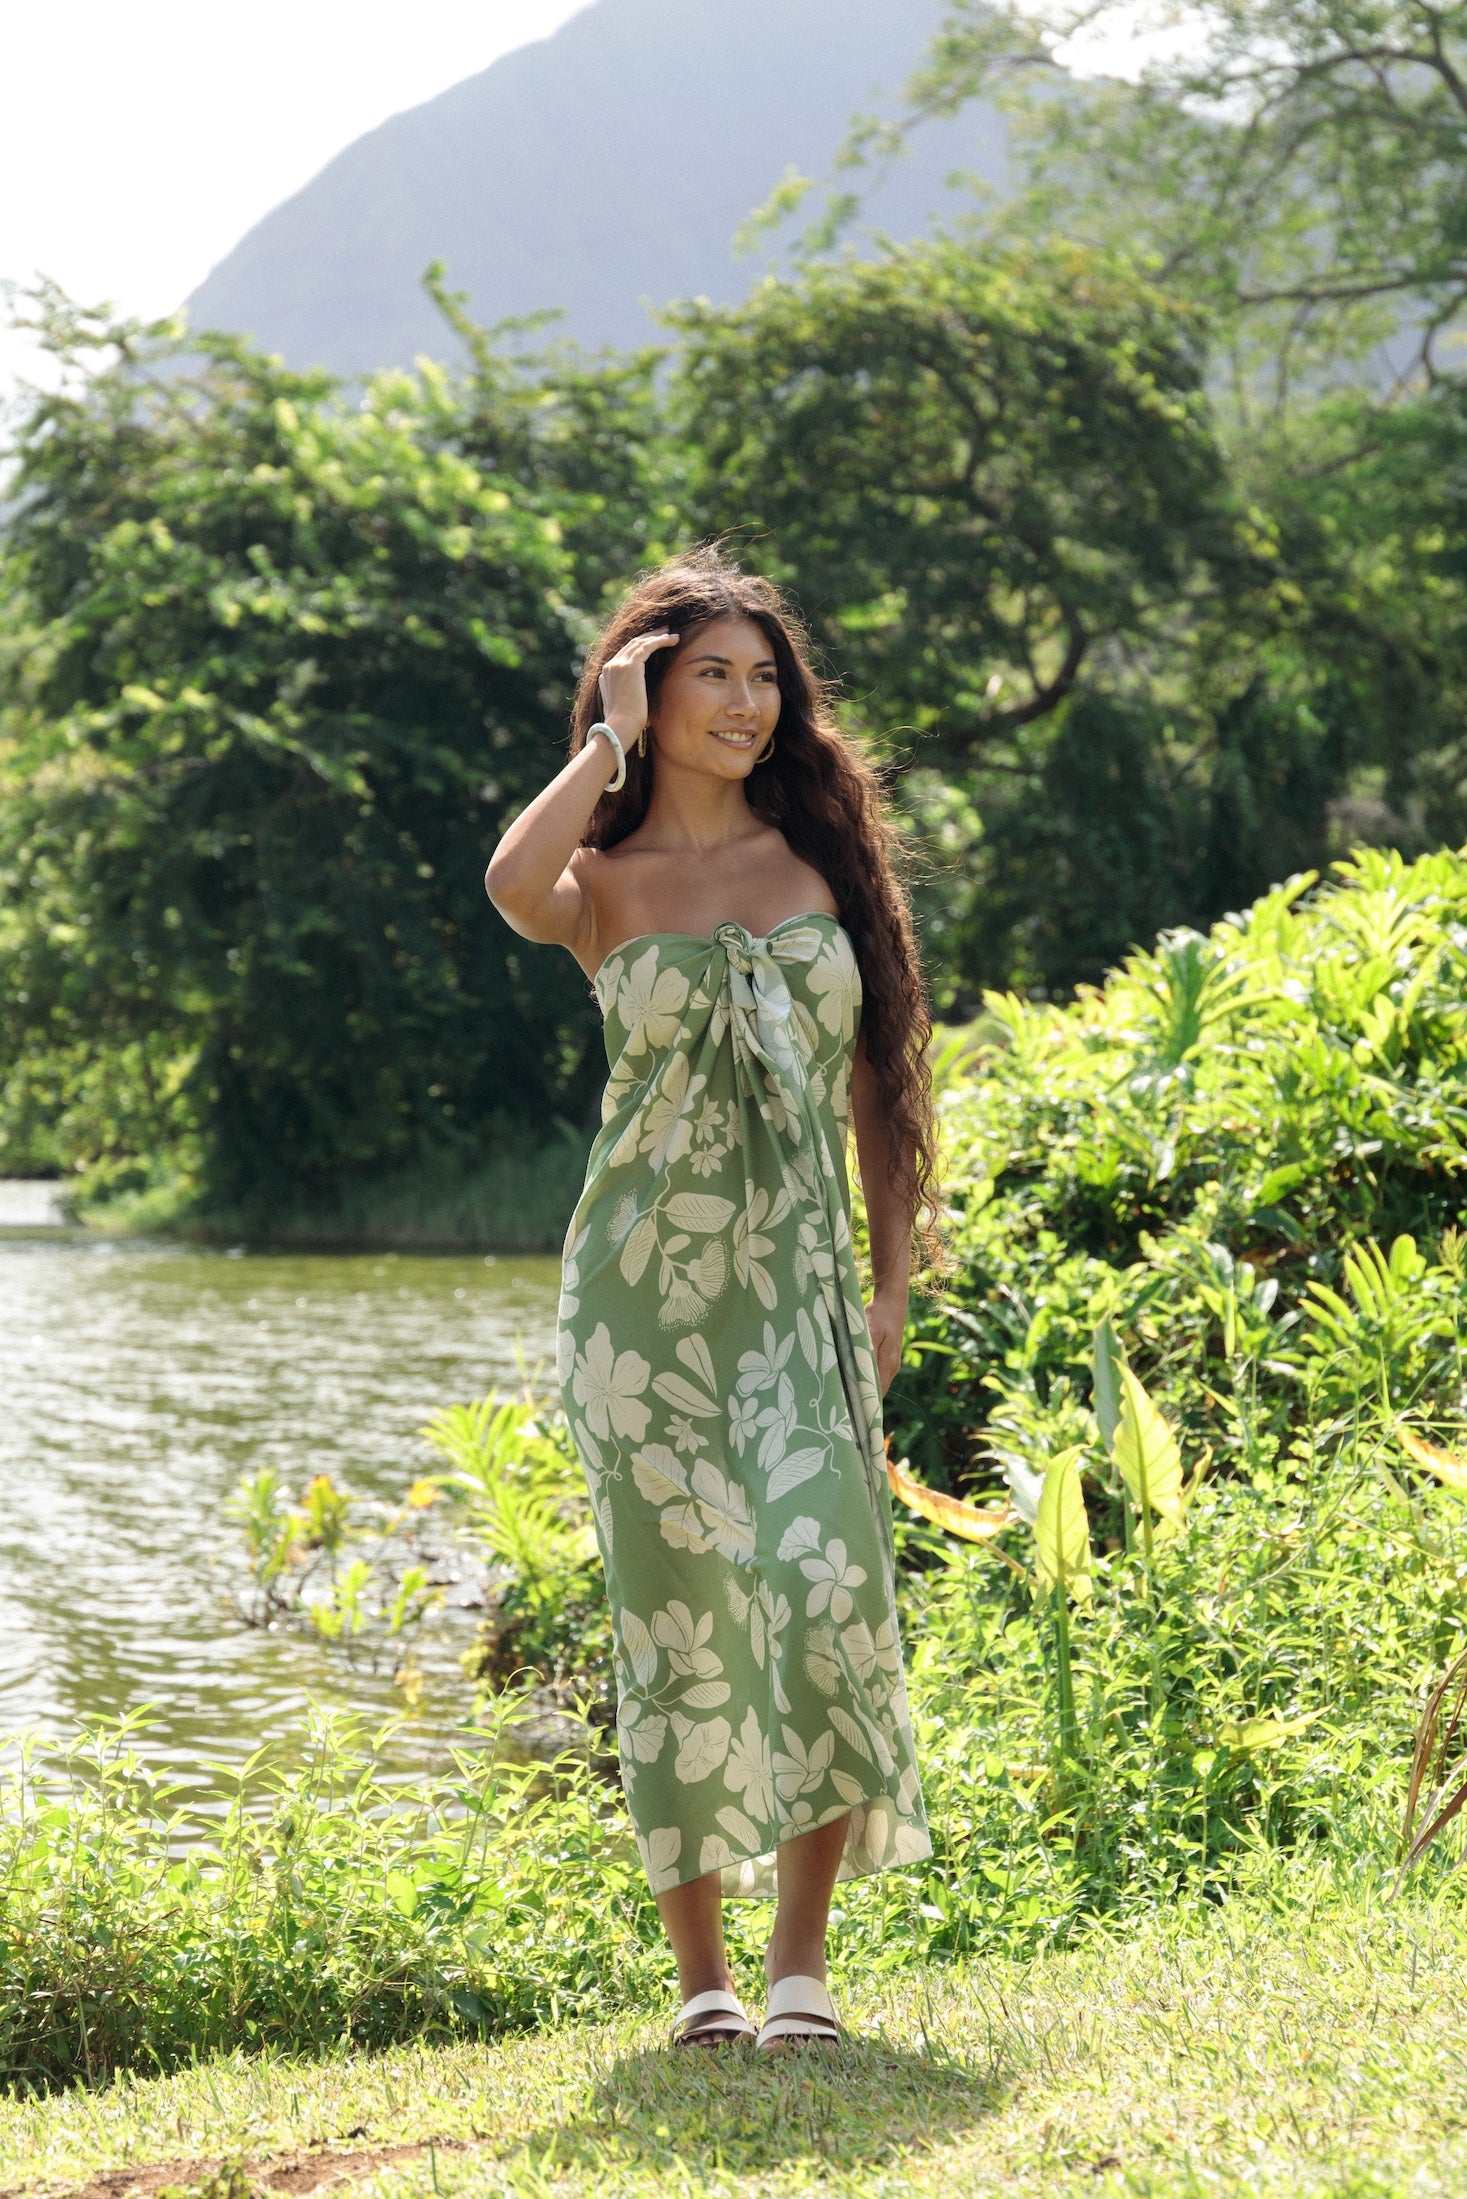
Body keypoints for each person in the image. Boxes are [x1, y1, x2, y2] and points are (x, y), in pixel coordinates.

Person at [485, 545, 941, 2055]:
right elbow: (505, 883)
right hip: (639, 1305)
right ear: (649, 688)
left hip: (800, 1286)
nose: (746, 704)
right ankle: (704, 1982)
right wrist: (601, 744)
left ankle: (801, 1959)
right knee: (677, 1619)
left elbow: (884, 1094)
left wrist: (889, 1288)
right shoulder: (600, 887)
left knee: (822, 1584)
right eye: (711, 677)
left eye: (765, 679)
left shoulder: (820, 869)